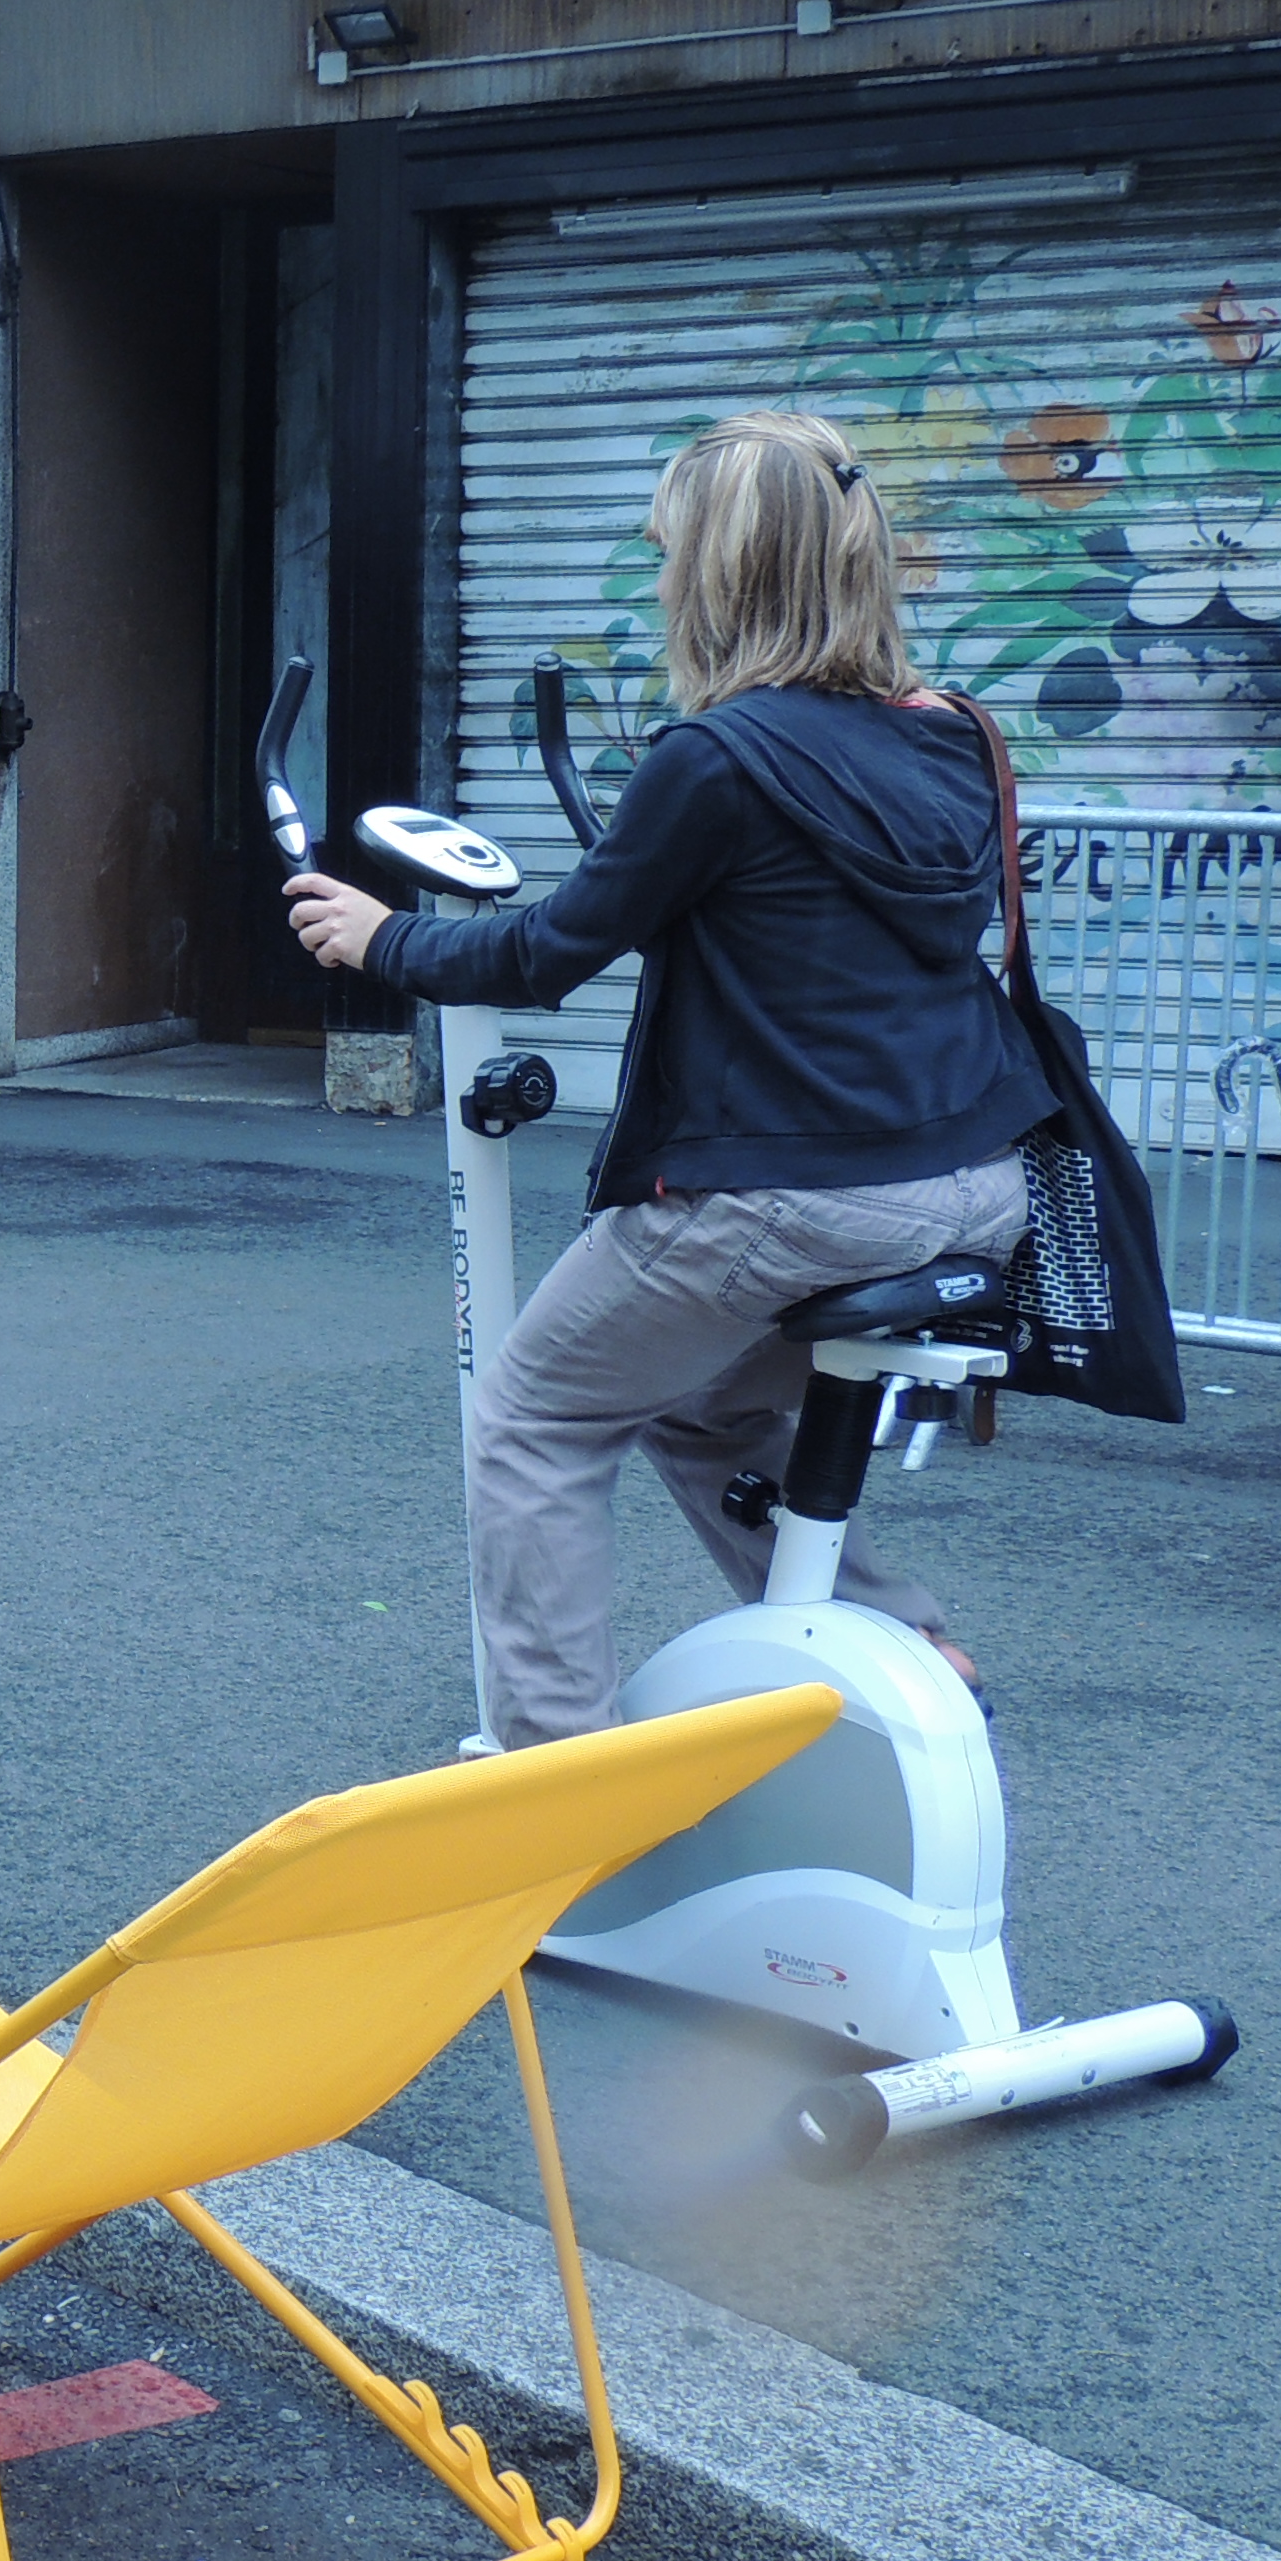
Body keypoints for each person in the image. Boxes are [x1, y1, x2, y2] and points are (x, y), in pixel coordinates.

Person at [284, 408, 1048, 1749]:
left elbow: (547, 950)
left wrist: (381, 936)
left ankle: (552, 1786)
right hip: (975, 1180)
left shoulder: (715, 758)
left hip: (789, 1193)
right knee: (704, 1408)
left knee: (530, 1418)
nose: (657, 585)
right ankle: (896, 1645)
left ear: (719, 575)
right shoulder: (957, 739)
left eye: (667, 558)